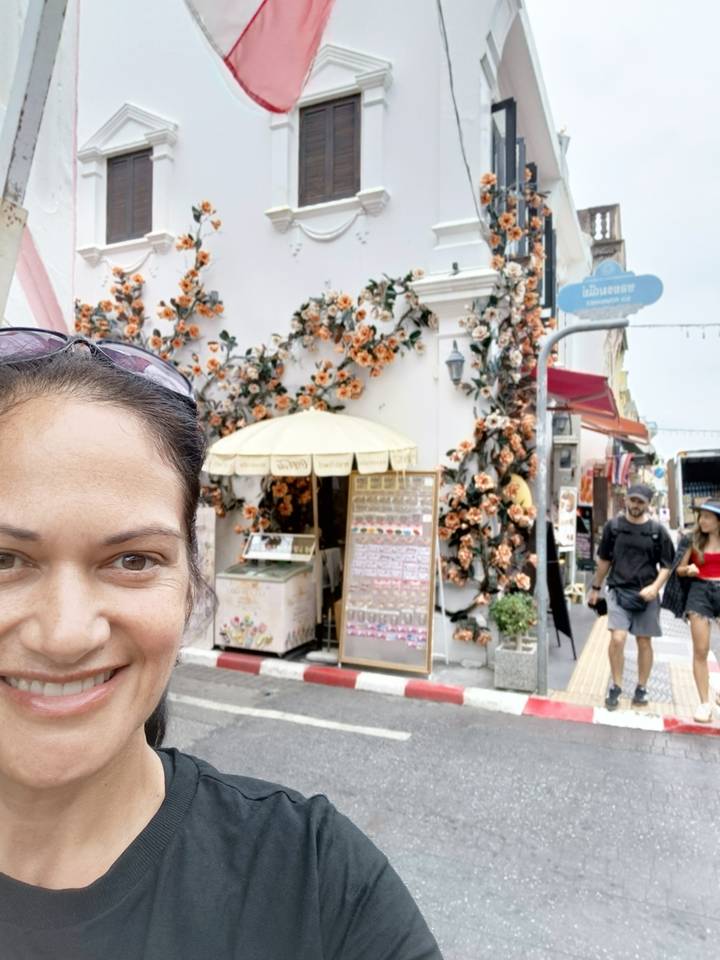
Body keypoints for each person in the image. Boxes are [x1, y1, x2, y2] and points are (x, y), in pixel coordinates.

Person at [0, 329, 442, 959]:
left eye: (132, 559)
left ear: (189, 588)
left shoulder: (318, 886)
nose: (68, 635)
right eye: (5, 558)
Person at [587, 484, 674, 711]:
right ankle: (616, 685)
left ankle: (642, 687)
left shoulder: (657, 531)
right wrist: (595, 587)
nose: (636, 505)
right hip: (618, 590)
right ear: (626, 500)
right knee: (617, 638)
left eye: (641, 502)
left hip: (646, 595)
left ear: (648, 504)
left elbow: (667, 565)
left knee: (644, 642)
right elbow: (604, 560)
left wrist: (655, 588)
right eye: (633, 500)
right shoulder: (613, 527)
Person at [662, 501, 720, 723]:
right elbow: (679, 570)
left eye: (707, 517)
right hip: (699, 591)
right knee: (701, 650)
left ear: (718, 521)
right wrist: (689, 569)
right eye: (701, 517)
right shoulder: (691, 539)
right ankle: (704, 703)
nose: (702, 521)